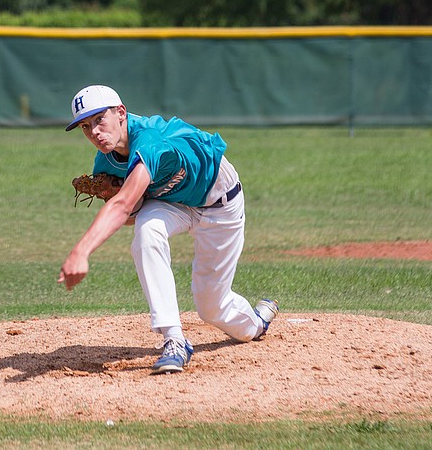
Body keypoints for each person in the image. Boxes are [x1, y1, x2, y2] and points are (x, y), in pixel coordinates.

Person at [59, 85, 278, 374]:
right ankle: (174, 339)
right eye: (85, 127)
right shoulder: (106, 161)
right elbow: (129, 215)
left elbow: (123, 205)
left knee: (211, 306)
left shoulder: (150, 140)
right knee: (147, 232)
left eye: (100, 120)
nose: (94, 132)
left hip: (218, 200)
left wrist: (81, 251)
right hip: (173, 202)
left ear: (121, 113)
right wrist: (120, 198)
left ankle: (255, 323)